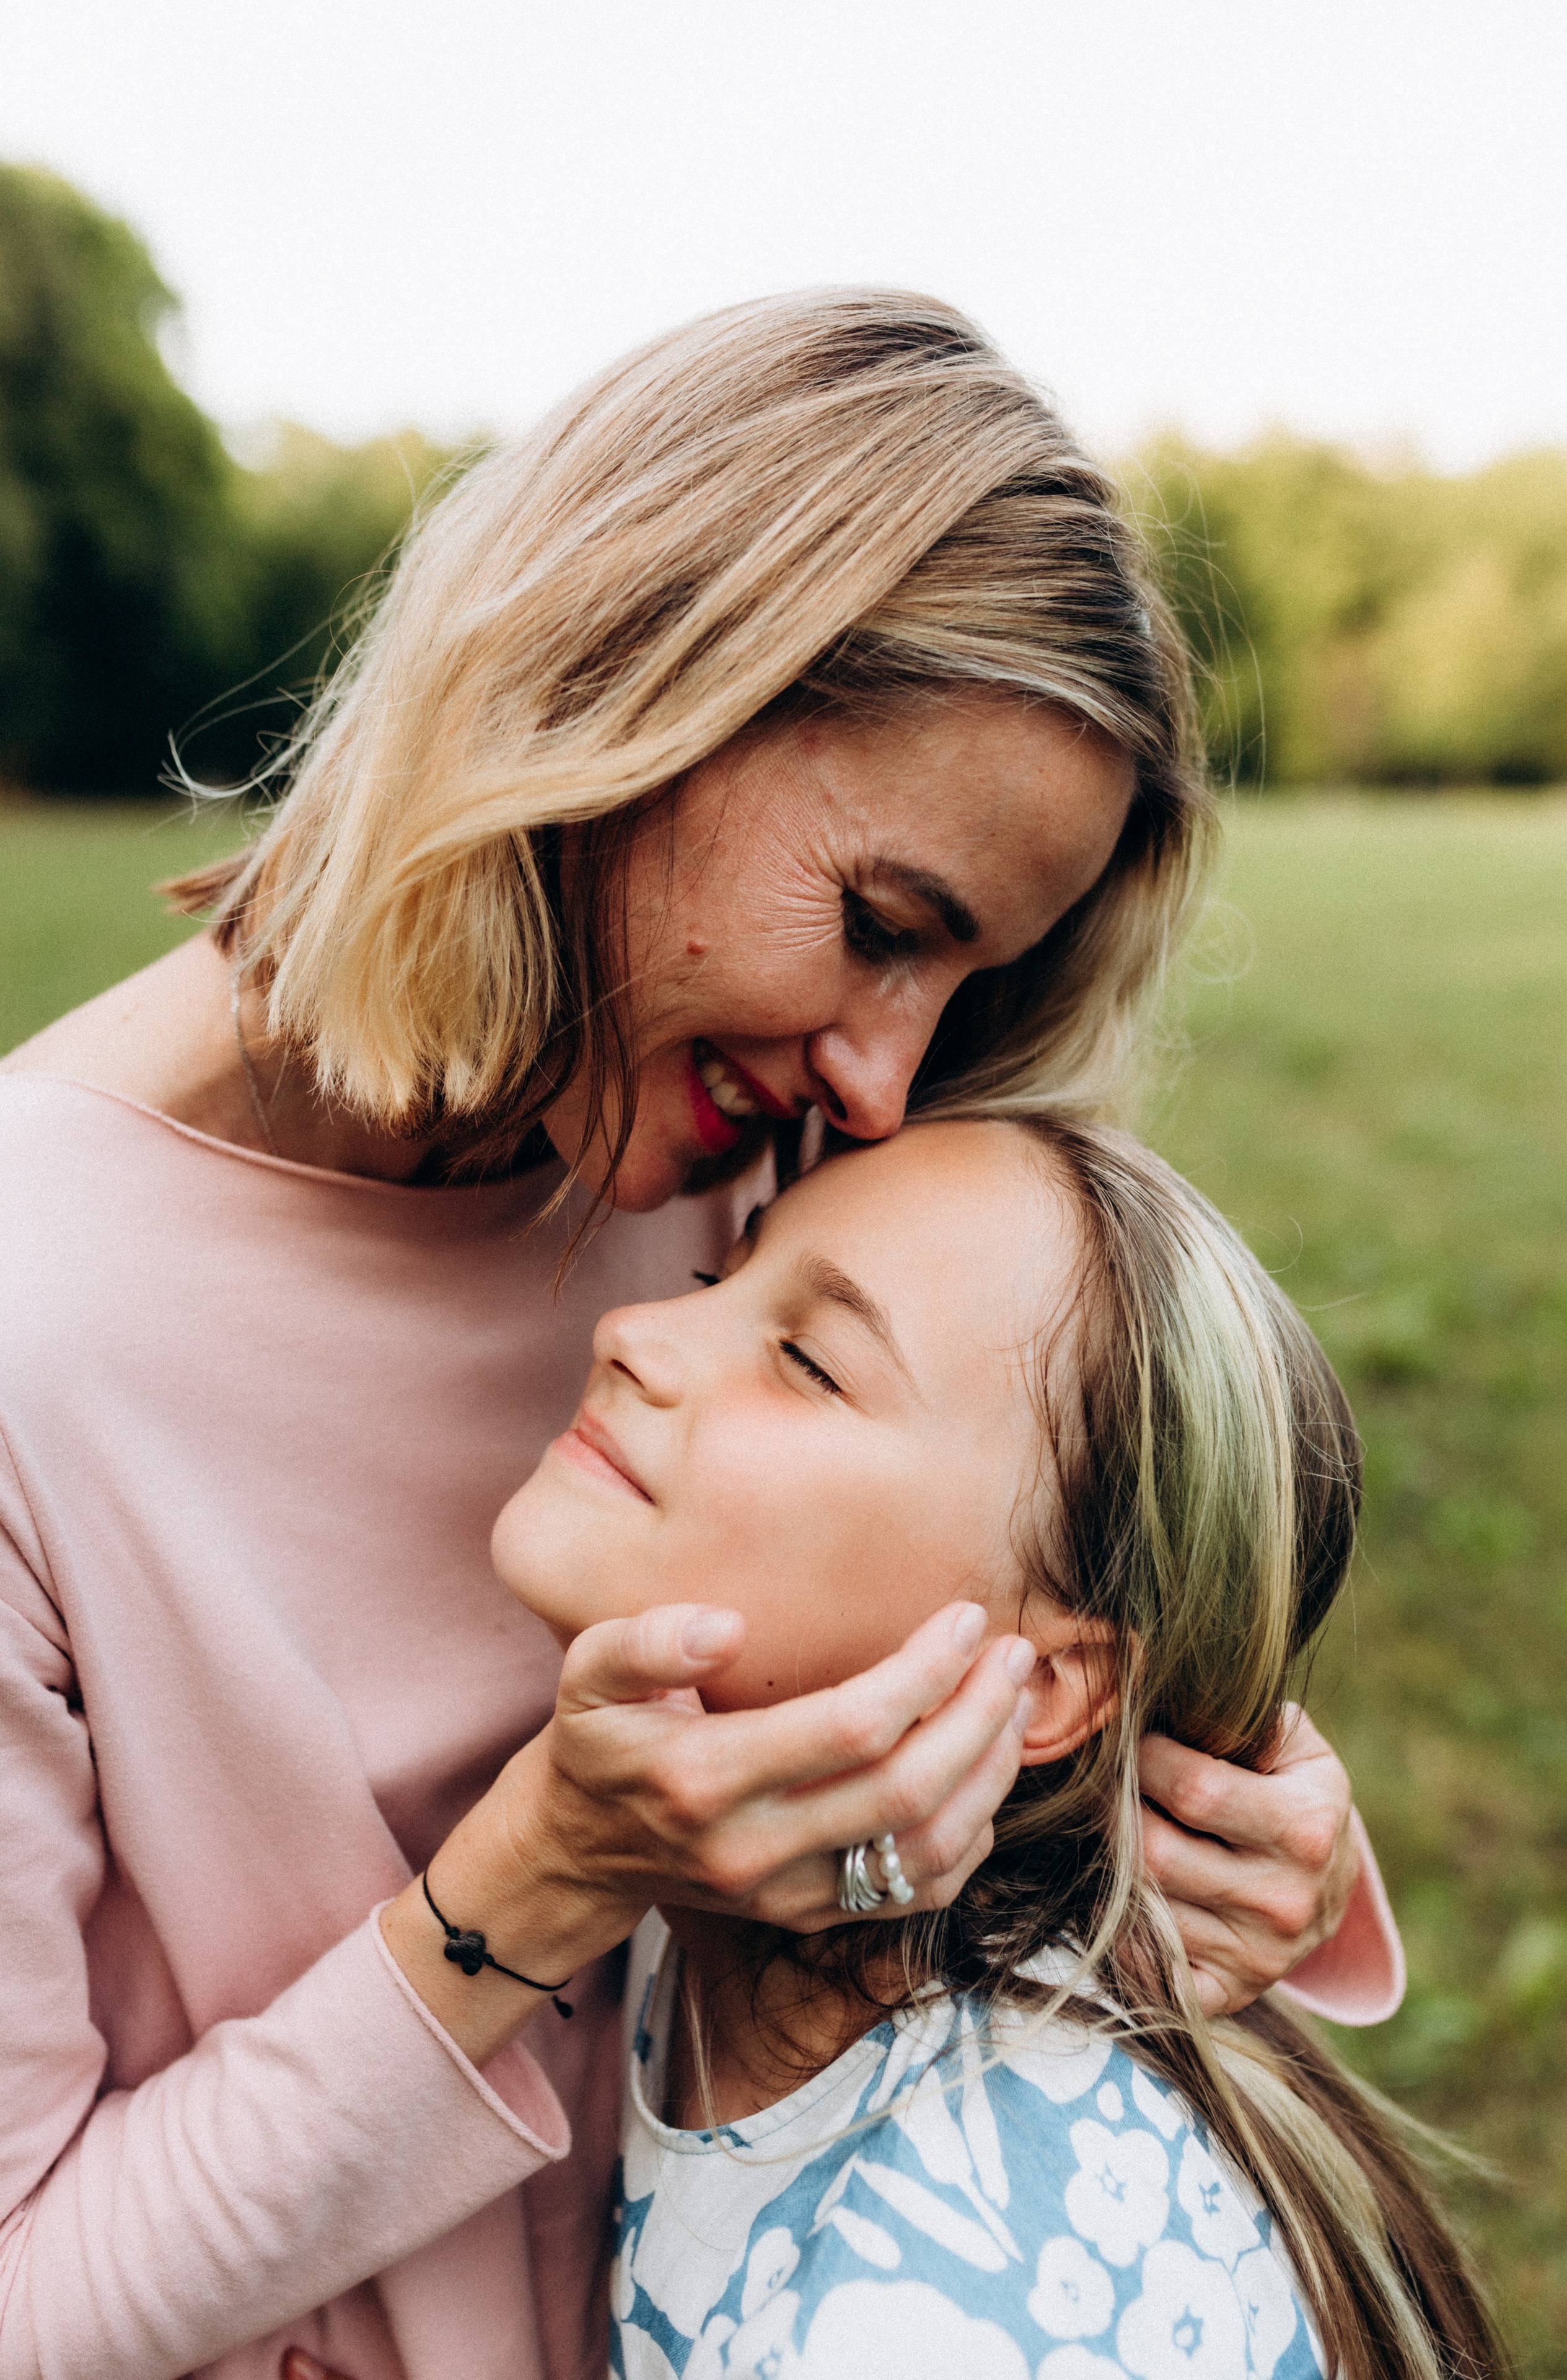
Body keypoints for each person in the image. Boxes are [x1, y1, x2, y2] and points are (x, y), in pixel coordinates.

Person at [0, 292, 1398, 2380]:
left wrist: (1220, 1823)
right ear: (631, 680)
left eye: (962, 986)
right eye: (883, 928)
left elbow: (1019, 1551)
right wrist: (537, 1884)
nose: (883, 1089)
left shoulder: (711, 1155)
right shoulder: (40, 1324)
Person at [491, 1116, 1502, 2380]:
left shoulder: (945, 2308)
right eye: (718, 1277)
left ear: (1038, 1685)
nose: (631, 1334)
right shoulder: (720, 1863)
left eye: (808, 1362)